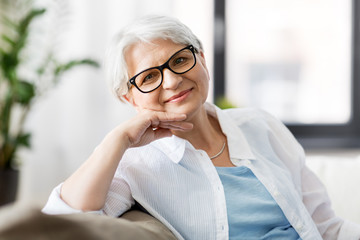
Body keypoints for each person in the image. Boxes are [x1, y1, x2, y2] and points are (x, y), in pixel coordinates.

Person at [43, 15, 360, 239]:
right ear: (129, 97)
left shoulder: (261, 126)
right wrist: (118, 138)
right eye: (149, 76)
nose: (172, 80)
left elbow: (327, 227)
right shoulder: (133, 165)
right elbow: (63, 223)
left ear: (203, 60)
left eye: (179, 60)